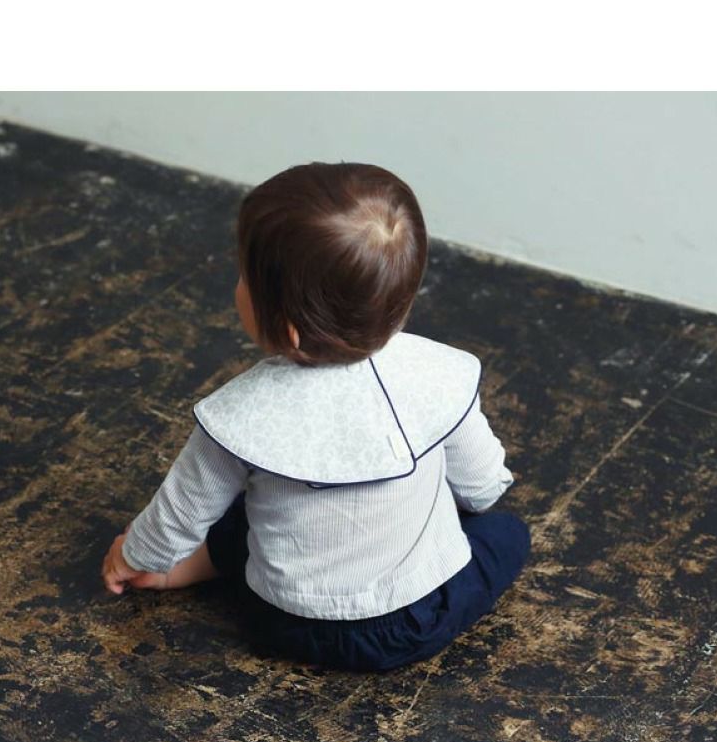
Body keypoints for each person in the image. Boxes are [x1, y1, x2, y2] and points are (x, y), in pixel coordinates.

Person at [100, 161, 531, 672]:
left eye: (242, 277)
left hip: (280, 617)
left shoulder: (238, 415)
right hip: (413, 622)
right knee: (506, 533)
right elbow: (482, 487)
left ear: (287, 329)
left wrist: (134, 556)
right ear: (402, 301)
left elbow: (179, 512)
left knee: (245, 509)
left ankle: (187, 569)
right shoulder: (439, 376)